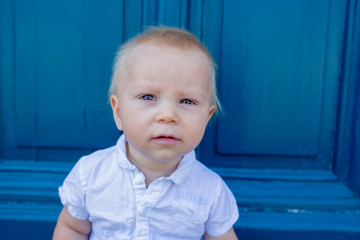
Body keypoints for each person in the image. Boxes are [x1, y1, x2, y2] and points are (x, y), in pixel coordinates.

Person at [53, 26, 239, 240]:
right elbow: (73, 228)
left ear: (207, 118)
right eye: (148, 97)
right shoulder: (91, 174)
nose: (168, 115)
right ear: (118, 111)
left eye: (187, 101)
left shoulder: (211, 190)